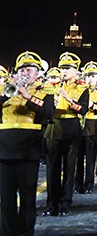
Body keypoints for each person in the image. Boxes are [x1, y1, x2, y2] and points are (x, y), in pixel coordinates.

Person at [0, 51, 55, 236]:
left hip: (28, 148)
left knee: (27, 196)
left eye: (29, 70)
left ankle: (25, 232)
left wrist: (28, 96)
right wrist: (8, 92)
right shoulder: (3, 89)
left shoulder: (45, 91)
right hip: (4, 148)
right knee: (6, 197)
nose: (25, 73)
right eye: (22, 70)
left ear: (37, 74)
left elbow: (49, 113)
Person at [44, 52, 90, 216]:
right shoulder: (51, 86)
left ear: (75, 71)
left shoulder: (82, 88)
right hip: (54, 128)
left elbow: (83, 110)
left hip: (71, 127)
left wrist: (69, 100)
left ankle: (65, 203)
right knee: (52, 168)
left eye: (67, 68)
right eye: (62, 68)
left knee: (69, 167)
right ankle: (51, 204)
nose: (63, 71)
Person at [75, 61, 97, 195]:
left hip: (92, 126)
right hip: (78, 125)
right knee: (78, 157)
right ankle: (77, 184)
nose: (90, 79)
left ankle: (89, 183)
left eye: (93, 76)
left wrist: (92, 105)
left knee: (90, 157)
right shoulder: (80, 89)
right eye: (88, 76)